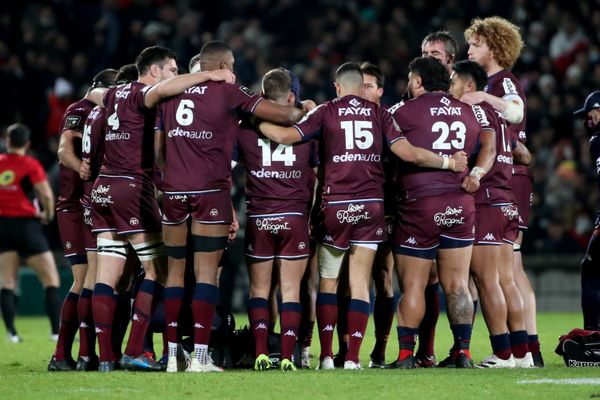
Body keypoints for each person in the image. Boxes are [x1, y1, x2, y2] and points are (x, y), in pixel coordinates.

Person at [258, 62, 466, 370]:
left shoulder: (327, 111)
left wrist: (255, 123)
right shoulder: (381, 115)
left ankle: (327, 357)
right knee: (359, 282)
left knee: (328, 282)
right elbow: (408, 153)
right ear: (360, 86)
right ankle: (354, 358)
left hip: (336, 206)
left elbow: (287, 137)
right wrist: (449, 163)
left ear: (338, 86)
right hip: (371, 207)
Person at [154, 42, 304, 373]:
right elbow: (286, 115)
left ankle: (171, 355)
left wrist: (174, 176)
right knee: (207, 273)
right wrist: (304, 108)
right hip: (209, 192)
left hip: (173, 192)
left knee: (175, 274)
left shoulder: (169, 94)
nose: (234, 71)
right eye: (232, 64)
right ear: (222, 64)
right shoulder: (228, 91)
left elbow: (158, 152)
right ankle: (201, 358)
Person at [87, 45, 236, 372]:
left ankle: (105, 359)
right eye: (172, 69)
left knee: (105, 277)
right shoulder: (144, 92)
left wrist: (98, 91)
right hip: (130, 186)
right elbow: (164, 89)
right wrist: (208, 74)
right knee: (160, 270)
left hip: (102, 189)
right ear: (154, 71)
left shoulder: (113, 93)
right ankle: (135, 349)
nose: (175, 75)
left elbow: (95, 93)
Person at [389, 56, 494, 369]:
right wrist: (475, 173)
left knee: (413, 286)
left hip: (419, 204)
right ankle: (463, 352)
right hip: (460, 203)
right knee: (459, 285)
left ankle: (407, 356)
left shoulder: (401, 111)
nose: (408, 84)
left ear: (418, 81)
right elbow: (489, 142)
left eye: (410, 79)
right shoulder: (469, 110)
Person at [463, 16, 543, 367]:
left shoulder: (502, 82)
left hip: (503, 180)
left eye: (476, 45)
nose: (469, 50)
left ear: (494, 48)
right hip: (505, 177)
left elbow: (515, 111)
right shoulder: (491, 84)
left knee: (501, 272)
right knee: (507, 271)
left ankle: (513, 351)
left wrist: (482, 97)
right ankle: (525, 350)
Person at [449, 60, 534, 368]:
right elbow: (520, 151)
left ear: (469, 86)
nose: (451, 87)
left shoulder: (474, 112)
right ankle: (522, 352)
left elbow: (484, 150)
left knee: (486, 281)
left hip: (487, 199)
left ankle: (502, 353)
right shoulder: (497, 114)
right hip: (506, 200)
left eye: (454, 81)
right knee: (505, 279)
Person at [232, 67, 317, 372]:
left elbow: (225, 169)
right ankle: (286, 355)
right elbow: (318, 174)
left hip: (260, 217)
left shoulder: (245, 127)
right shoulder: (308, 126)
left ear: (263, 95)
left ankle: (260, 353)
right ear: (292, 95)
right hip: (294, 216)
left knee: (259, 290)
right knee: (292, 290)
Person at [47, 68, 118, 372]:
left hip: (89, 204)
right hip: (74, 206)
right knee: (85, 279)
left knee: (91, 278)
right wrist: (82, 169)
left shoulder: (100, 114)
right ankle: (69, 354)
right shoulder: (80, 109)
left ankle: (76, 355)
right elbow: (64, 150)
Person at [0, 123, 60, 345]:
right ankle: (55, 331)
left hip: (3, 225)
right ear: (27, 143)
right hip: (26, 225)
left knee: (7, 281)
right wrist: (48, 214)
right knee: (51, 279)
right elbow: (45, 193)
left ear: (7, 141)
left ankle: (12, 333)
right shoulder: (30, 164)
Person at [574, 91, 600, 331]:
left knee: (590, 269)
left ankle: (594, 334)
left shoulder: (597, 141)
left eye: (590, 114)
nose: (587, 121)